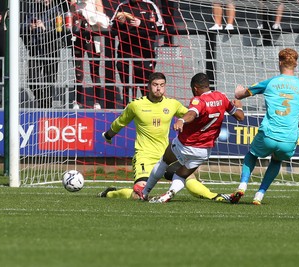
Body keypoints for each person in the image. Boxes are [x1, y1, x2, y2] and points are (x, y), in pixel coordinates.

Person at [99, 72, 232, 203]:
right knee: (138, 194)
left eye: (162, 85)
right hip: (144, 156)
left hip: (167, 154)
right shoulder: (136, 105)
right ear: (148, 86)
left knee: (189, 178)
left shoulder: (172, 104)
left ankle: (216, 196)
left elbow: (193, 115)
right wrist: (108, 135)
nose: (158, 88)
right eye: (155, 85)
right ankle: (110, 193)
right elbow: (120, 122)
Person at [231, 48, 299, 205]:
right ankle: (260, 194)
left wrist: (238, 91)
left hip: (269, 134)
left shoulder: (270, 82)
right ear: (296, 64)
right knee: (276, 161)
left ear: (279, 62)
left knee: (251, 155)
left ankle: (243, 185)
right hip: (289, 138)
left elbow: (240, 95)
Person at [141, 72, 245, 203]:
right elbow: (240, 117)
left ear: (195, 88)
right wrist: (239, 106)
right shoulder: (222, 97)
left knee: (164, 161)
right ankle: (169, 193)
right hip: (204, 151)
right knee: (181, 174)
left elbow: (191, 113)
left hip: (186, 144)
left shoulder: (199, 100)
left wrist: (181, 121)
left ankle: (145, 192)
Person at [110, 0, 164, 106]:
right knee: (128, 89)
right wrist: (119, 23)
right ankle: (129, 114)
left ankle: (149, 113)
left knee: (147, 87)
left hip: (145, 54)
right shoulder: (122, 6)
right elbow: (110, 27)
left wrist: (142, 24)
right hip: (125, 54)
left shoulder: (149, 5)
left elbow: (161, 27)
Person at [21, 0, 68, 108]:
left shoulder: (58, 10)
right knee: (32, 78)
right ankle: (44, 104)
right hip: (35, 48)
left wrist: (44, 28)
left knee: (50, 79)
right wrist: (29, 27)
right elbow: (21, 27)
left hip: (52, 48)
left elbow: (61, 31)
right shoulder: (33, 10)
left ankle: (46, 106)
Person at [68, 0, 109, 109]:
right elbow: (71, 17)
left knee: (95, 69)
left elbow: (102, 18)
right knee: (78, 70)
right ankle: (77, 101)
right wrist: (76, 14)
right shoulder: (74, 1)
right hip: (78, 34)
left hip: (93, 34)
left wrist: (87, 16)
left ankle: (97, 101)